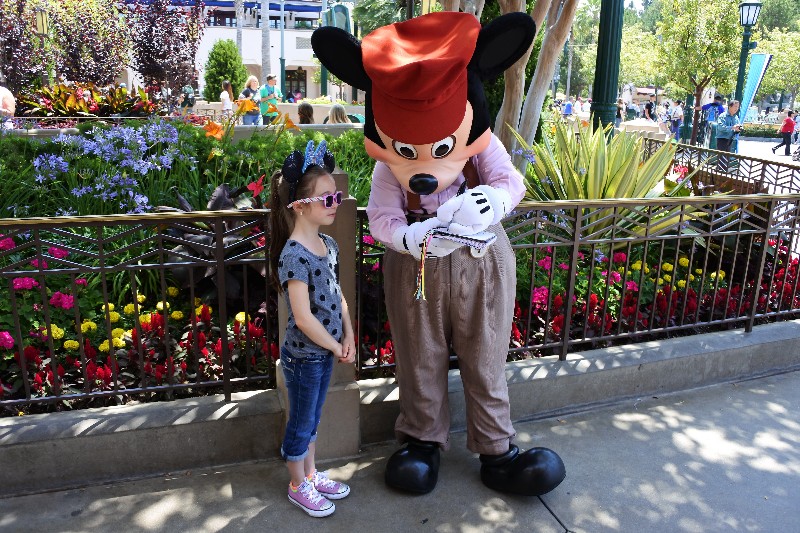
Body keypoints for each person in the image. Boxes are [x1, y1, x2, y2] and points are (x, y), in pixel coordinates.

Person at [268, 140, 355, 518]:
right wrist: (336, 347)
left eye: (335, 196)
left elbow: (339, 297)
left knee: (314, 417)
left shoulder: (329, 245)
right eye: (326, 198)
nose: (334, 203)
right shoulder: (294, 255)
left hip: (326, 351)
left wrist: (348, 334)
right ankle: (297, 484)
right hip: (305, 357)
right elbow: (302, 318)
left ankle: (311, 473)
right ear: (300, 205)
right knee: (301, 422)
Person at [716, 100, 742, 171]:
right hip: (722, 139)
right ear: (730, 107)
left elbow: (737, 126)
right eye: (735, 106)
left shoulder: (735, 117)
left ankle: (724, 172)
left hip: (730, 139)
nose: (736, 108)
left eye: (738, 107)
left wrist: (738, 129)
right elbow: (721, 127)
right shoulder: (722, 116)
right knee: (721, 158)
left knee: (727, 158)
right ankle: (720, 172)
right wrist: (732, 127)